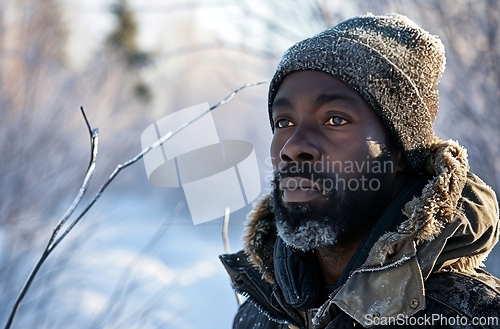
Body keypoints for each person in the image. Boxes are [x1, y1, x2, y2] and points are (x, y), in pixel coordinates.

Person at [220, 13, 500, 329]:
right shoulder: (260, 313)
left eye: (335, 120)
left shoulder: (472, 316)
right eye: (284, 122)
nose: (292, 146)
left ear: (398, 152)